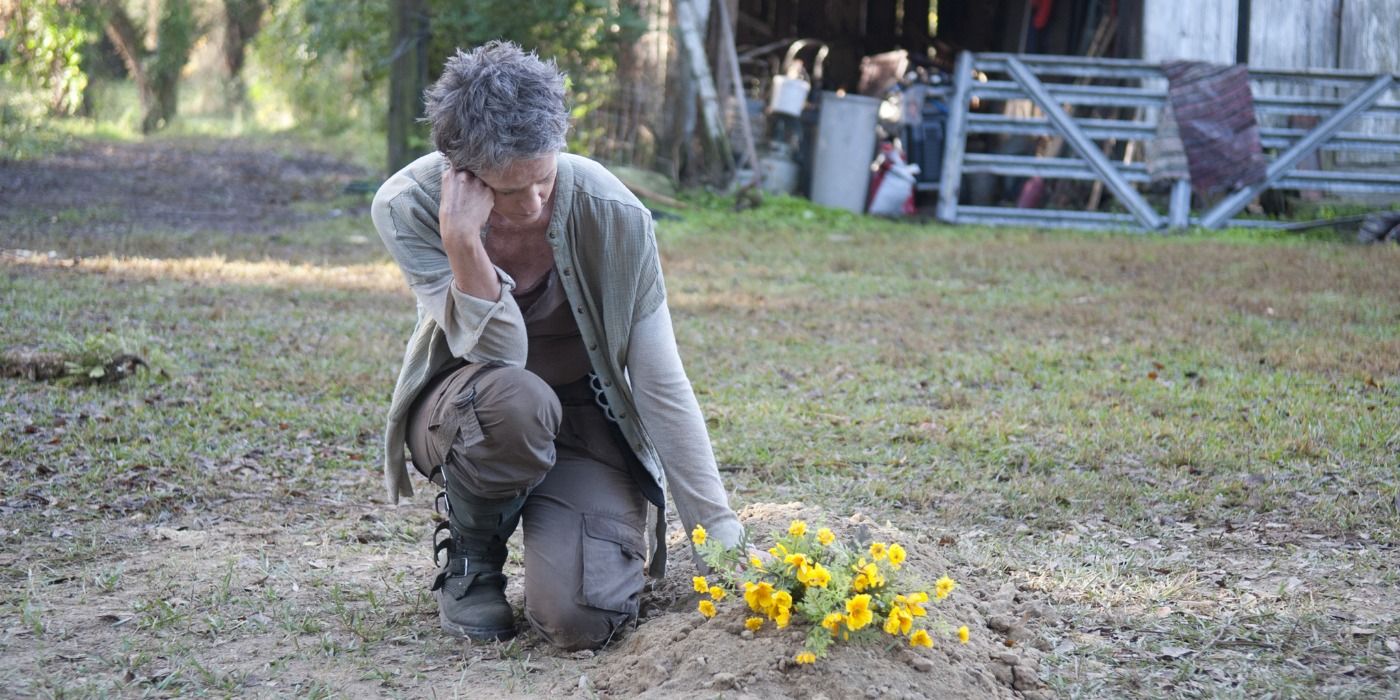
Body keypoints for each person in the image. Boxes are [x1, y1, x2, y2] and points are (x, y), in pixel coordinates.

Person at [371, 40, 744, 651]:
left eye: (543, 179)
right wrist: (464, 243)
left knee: (580, 620)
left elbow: (660, 383)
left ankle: (560, 530)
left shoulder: (615, 213)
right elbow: (497, 354)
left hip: (581, 421)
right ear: (458, 171)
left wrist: (719, 539)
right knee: (517, 401)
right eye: (507, 191)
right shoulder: (408, 206)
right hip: (472, 412)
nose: (534, 205)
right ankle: (473, 555)